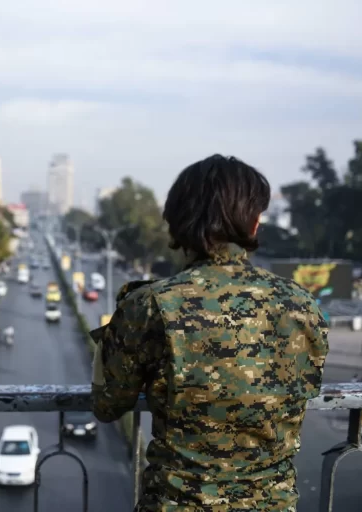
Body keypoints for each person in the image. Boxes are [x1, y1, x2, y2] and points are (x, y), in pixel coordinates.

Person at [90, 154, 329, 511]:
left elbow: (107, 403)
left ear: (175, 222)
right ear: (255, 223)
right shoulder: (302, 305)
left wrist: (121, 322)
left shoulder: (151, 305)